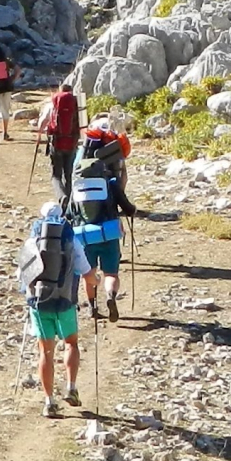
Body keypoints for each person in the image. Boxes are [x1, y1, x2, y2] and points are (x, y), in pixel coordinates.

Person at [17, 202, 89, 417]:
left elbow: (21, 276)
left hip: (40, 302)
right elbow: (86, 270)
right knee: (71, 343)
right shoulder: (71, 239)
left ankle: (49, 402)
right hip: (65, 300)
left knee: (45, 352)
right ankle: (71, 387)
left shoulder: (33, 241)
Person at [71, 114, 138, 322]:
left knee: (89, 273)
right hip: (108, 233)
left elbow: (69, 212)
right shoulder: (111, 183)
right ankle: (111, 296)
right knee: (111, 274)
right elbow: (127, 207)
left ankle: (92, 307)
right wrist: (131, 211)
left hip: (85, 236)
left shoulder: (77, 186)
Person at [35, 79, 81, 202]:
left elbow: (43, 122)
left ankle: (62, 197)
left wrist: (39, 134)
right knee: (69, 174)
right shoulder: (77, 105)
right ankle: (70, 201)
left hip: (56, 142)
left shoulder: (53, 104)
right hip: (71, 143)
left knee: (56, 175)